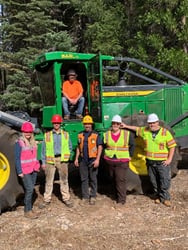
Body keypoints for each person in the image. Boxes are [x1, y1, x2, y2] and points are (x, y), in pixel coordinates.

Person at [121, 113, 176, 207]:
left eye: (153, 123)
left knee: (164, 180)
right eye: (150, 123)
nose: (152, 125)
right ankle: (158, 196)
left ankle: (165, 198)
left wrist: (169, 159)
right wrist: (126, 126)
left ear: (157, 122)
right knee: (153, 180)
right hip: (150, 161)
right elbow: (137, 129)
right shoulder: (145, 131)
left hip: (162, 162)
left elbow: (172, 146)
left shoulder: (164, 132)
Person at [41, 114, 73, 208]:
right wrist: (43, 162)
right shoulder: (47, 135)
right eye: (55, 122)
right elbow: (43, 150)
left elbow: (70, 147)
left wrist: (67, 157)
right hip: (50, 160)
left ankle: (66, 198)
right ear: (52, 124)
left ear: (60, 123)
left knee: (64, 180)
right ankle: (47, 199)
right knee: (49, 181)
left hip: (62, 160)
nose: (56, 124)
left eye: (58, 122)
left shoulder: (66, 135)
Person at [103, 115, 135, 208]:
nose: (115, 125)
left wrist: (130, 156)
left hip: (122, 161)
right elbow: (104, 145)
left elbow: (133, 145)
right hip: (110, 160)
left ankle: (121, 200)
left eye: (117, 123)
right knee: (112, 178)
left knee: (120, 179)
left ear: (120, 124)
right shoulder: (107, 134)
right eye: (113, 123)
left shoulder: (126, 134)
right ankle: (115, 195)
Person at [74, 115, 103, 205]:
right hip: (83, 160)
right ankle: (85, 197)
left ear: (91, 124)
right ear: (83, 125)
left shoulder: (96, 135)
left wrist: (98, 160)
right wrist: (76, 159)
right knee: (84, 179)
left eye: (89, 124)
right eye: (86, 124)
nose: (87, 125)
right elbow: (78, 147)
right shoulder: (80, 135)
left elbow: (100, 147)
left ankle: (93, 196)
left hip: (93, 160)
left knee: (93, 179)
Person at [15, 122, 40, 219]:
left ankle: (29, 207)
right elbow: (17, 158)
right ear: (22, 132)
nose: (28, 134)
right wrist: (19, 171)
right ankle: (27, 211)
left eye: (29, 132)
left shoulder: (33, 143)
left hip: (33, 170)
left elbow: (34, 157)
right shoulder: (19, 143)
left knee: (30, 189)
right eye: (26, 132)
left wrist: (37, 166)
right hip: (25, 171)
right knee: (30, 189)